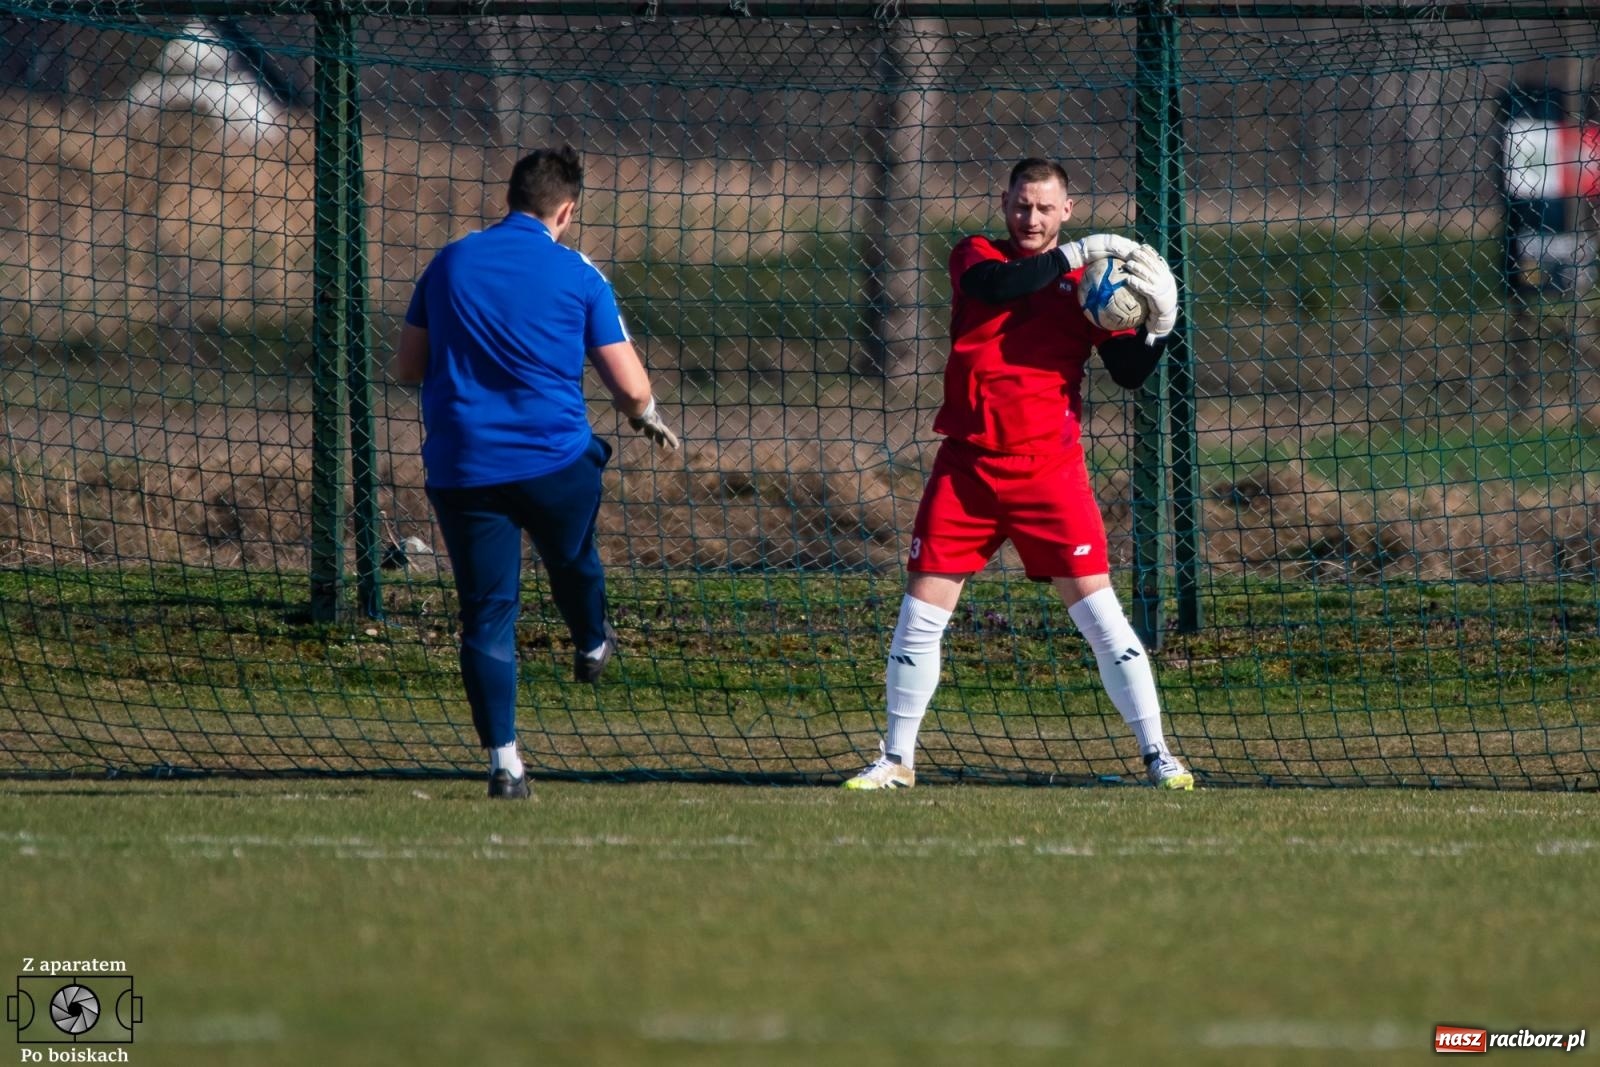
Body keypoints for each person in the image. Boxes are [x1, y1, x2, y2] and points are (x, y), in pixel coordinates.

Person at [843, 157, 1192, 791]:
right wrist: (1080, 251)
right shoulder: (976, 255)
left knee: (1101, 617)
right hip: (967, 467)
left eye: (1044, 207)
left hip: (1049, 473)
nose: (1030, 218)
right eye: (1020, 204)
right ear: (1004, 203)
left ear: (1066, 210)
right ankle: (896, 760)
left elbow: (1130, 374)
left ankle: (1159, 756)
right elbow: (997, 290)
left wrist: (1160, 327)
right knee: (920, 614)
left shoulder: (1092, 287)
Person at [391, 145, 679, 800]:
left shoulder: (450, 262)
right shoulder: (578, 274)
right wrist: (645, 414)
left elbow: (407, 366)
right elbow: (631, 391)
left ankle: (505, 763)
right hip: (553, 462)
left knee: (487, 614)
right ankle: (590, 637)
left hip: (464, 466)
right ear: (566, 210)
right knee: (573, 555)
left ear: (511, 198)